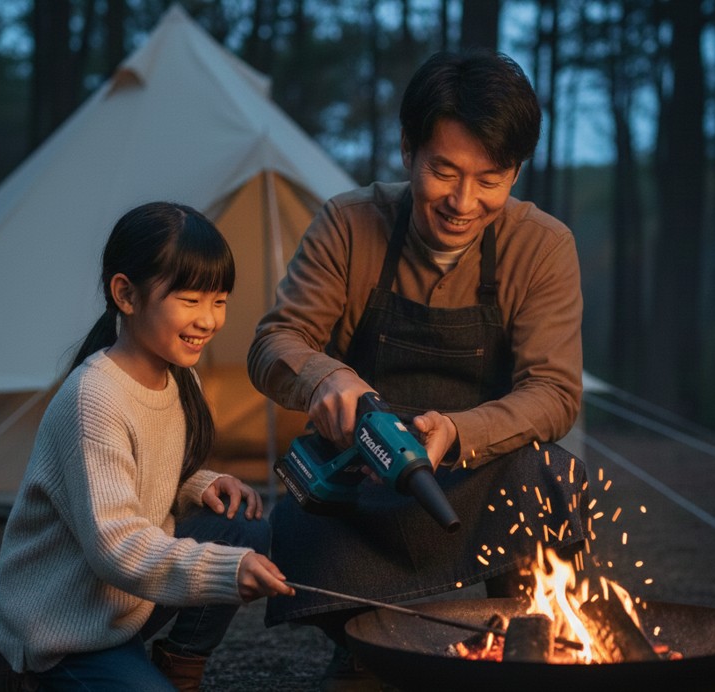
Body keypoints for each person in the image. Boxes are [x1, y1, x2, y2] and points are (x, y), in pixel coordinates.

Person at [247, 49, 588, 689]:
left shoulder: (543, 246)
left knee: (549, 476)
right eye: (444, 171)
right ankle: (365, 646)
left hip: (473, 474)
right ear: (408, 149)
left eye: (491, 179)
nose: (463, 201)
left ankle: (524, 641)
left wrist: (458, 432)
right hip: (363, 476)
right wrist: (324, 377)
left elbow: (555, 393)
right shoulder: (348, 224)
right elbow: (274, 341)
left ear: (515, 171)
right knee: (301, 507)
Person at [0, 201, 294, 692]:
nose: (208, 320)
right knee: (230, 555)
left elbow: (143, 466)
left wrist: (201, 484)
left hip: (120, 608)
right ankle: (20, 679)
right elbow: (116, 545)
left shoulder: (177, 372)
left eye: (219, 300)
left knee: (242, 527)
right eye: (190, 300)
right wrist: (225, 571)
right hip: (60, 631)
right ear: (125, 293)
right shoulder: (94, 397)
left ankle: (178, 667)